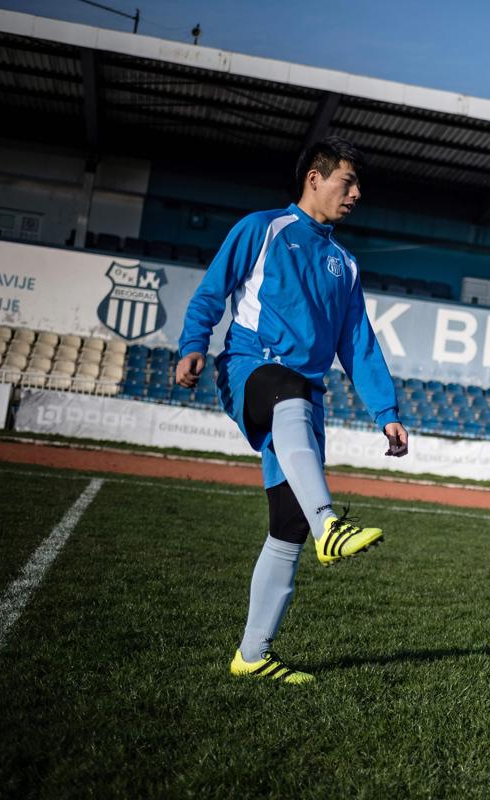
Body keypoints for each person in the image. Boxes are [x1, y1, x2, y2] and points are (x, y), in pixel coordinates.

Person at [175, 136, 408, 684]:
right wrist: (193, 345)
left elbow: (359, 343)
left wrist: (386, 410)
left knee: (286, 527)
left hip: (304, 400)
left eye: (358, 186)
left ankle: (252, 656)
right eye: (347, 182)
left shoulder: (345, 264)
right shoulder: (263, 228)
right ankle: (331, 523)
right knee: (288, 389)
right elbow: (213, 292)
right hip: (251, 368)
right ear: (314, 179)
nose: (356, 194)